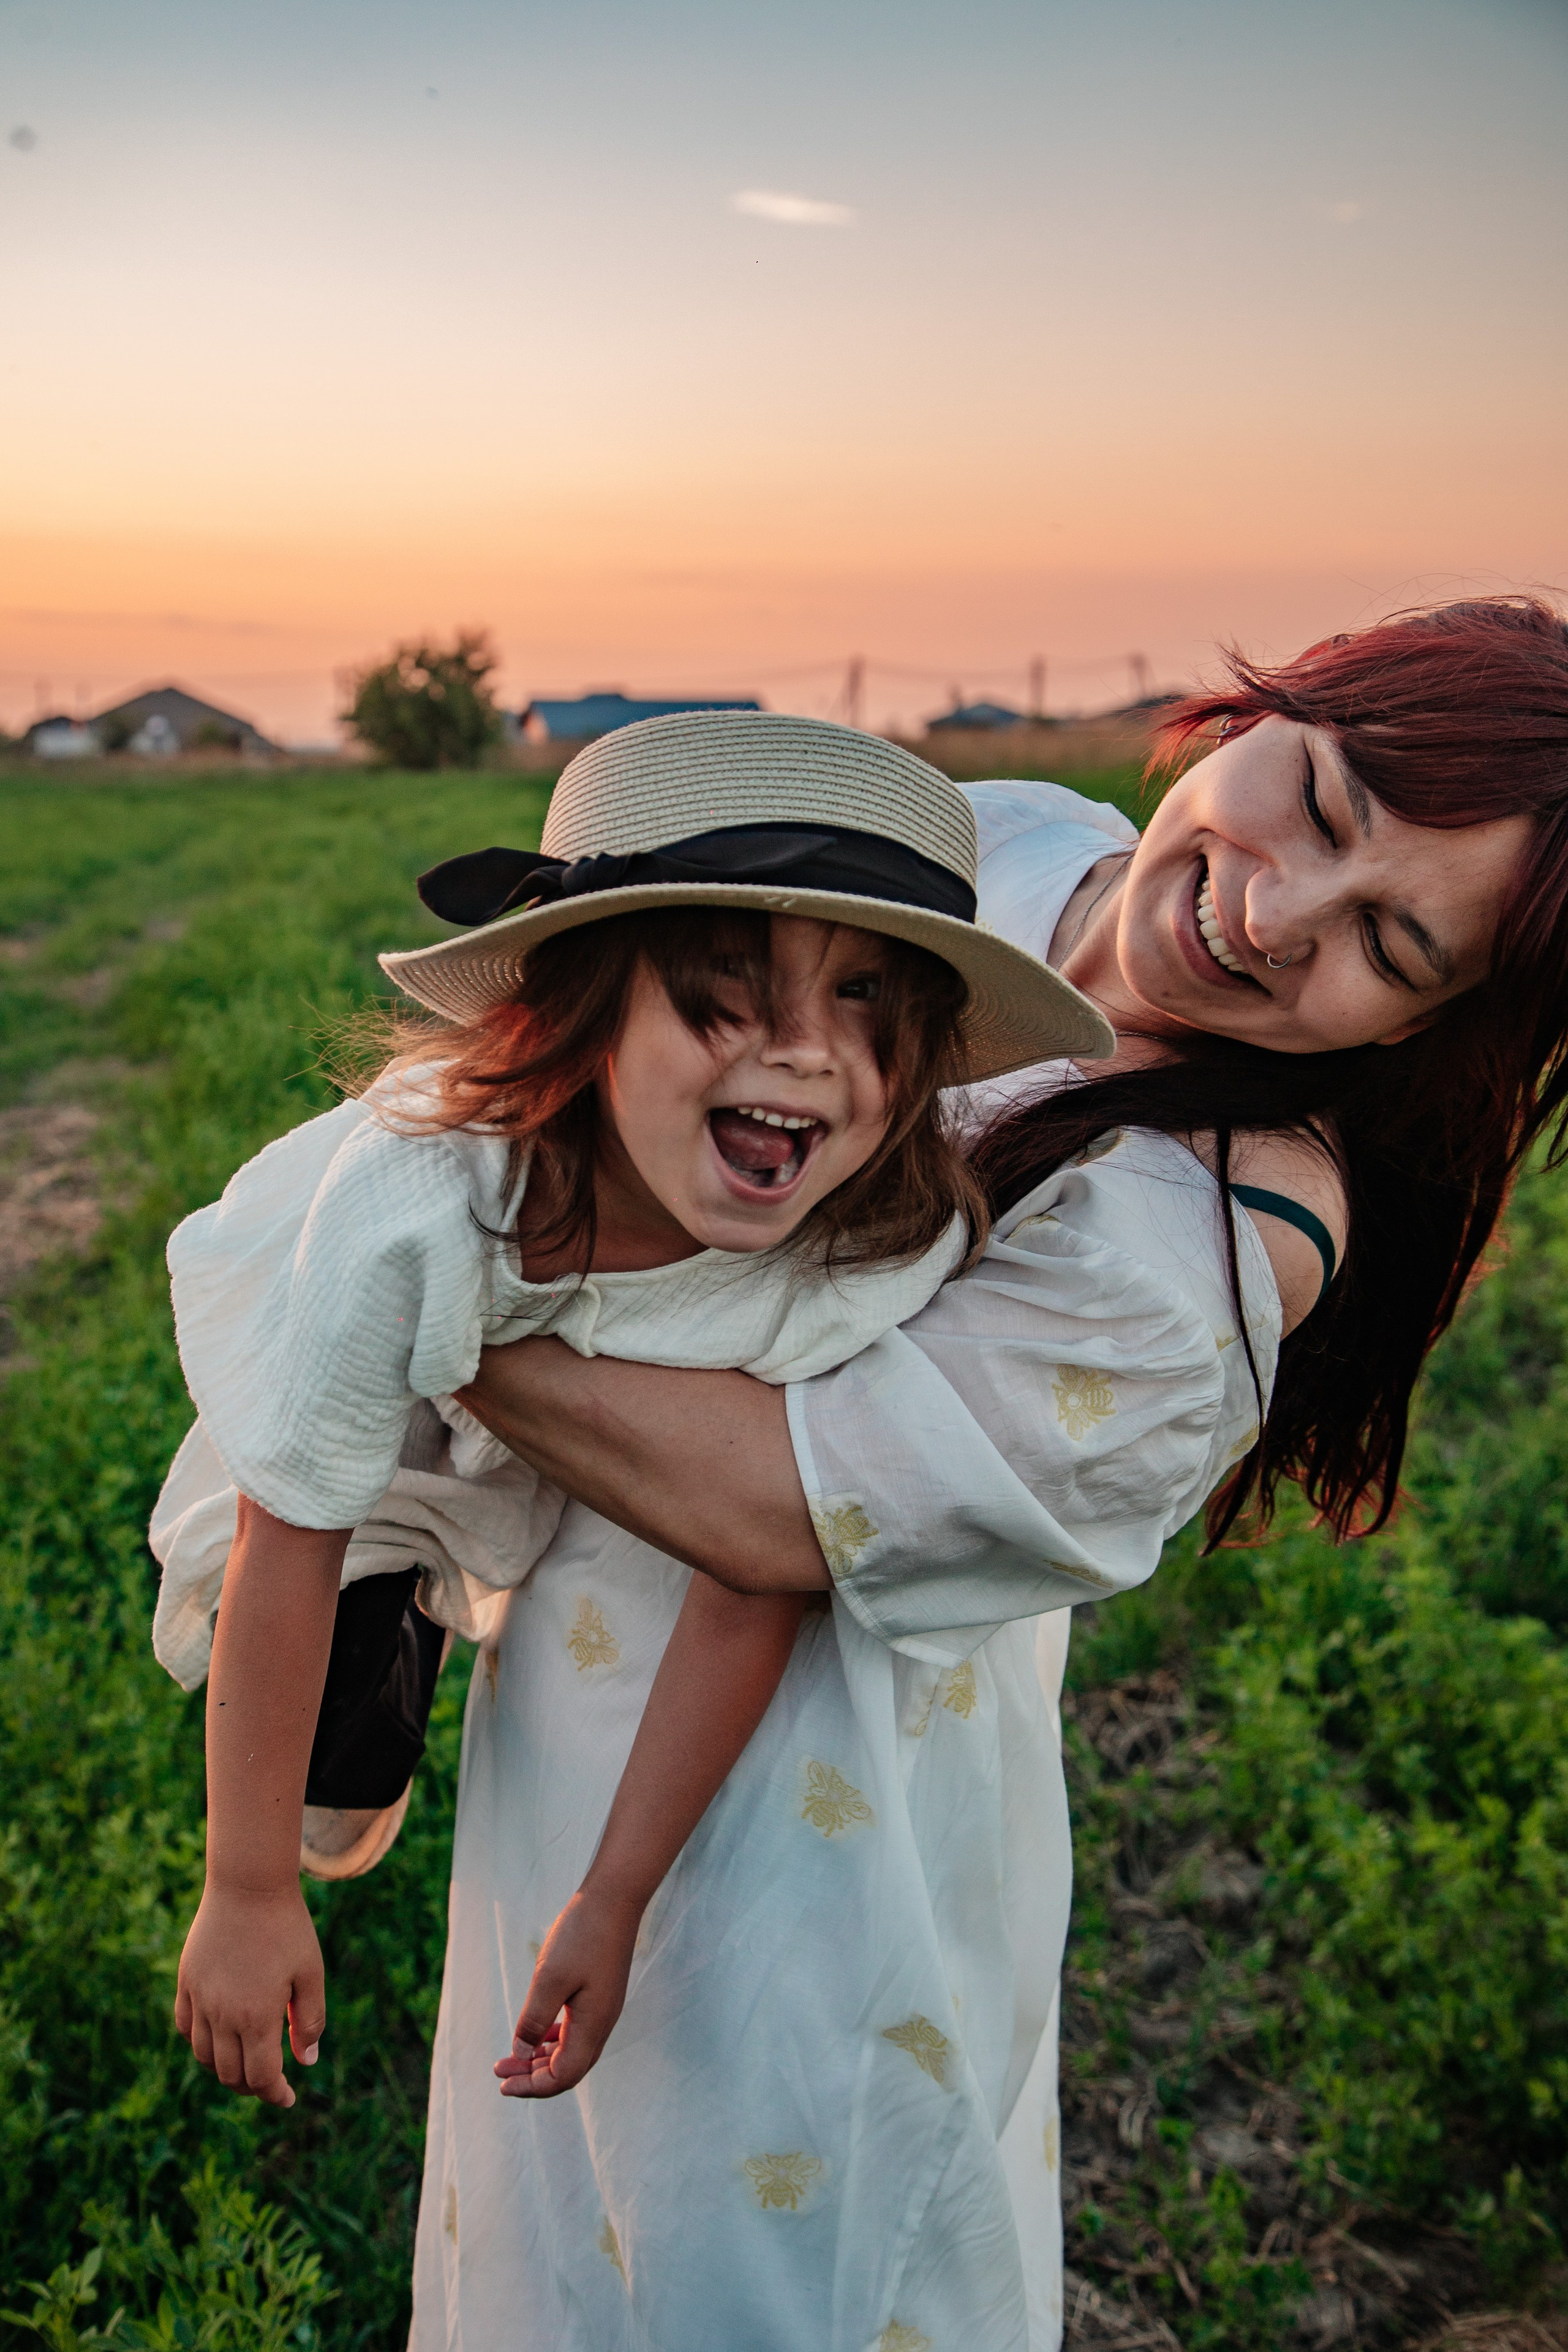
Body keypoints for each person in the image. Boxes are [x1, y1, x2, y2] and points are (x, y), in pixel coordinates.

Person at [431, 595, 1568, 2349]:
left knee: (749, 2258)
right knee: (539, 2237)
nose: (1274, 915)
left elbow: (777, 1505)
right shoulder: (1011, 844)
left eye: (1392, 950)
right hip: (576, 1674)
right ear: (1276, 704)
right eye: (1324, 807)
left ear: (1430, 1030)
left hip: (813, 1825)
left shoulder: (1209, 1238)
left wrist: (394, 1287)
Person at [149, 712, 1107, 2127]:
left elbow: (754, 1567)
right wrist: (244, 1890)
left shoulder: (862, 1254)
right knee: (328, 1675)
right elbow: (291, 1522)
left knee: (513, 1519)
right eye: (722, 993)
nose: (802, 1055)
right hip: (356, 1389)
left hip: (561, 1412)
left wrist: (612, 1894)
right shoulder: (422, 1199)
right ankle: (384, 1643)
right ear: (587, 1009)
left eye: (865, 1003)